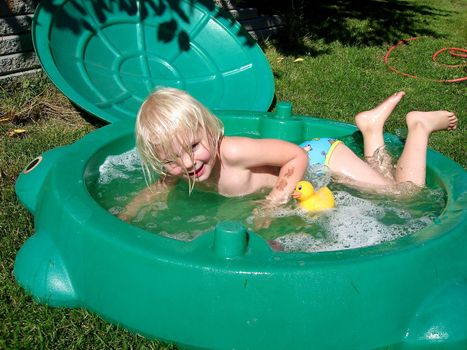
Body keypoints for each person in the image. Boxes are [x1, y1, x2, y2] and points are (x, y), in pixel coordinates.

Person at [118, 88, 457, 226]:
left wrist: (275, 200)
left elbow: (295, 155)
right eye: (171, 159)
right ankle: (371, 128)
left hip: (320, 158)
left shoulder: (231, 150)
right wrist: (128, 212)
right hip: (309, 168)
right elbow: (159, 188)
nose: (188, 164)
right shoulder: (183, 166)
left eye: (193, 147)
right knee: (375, 181)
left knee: (403, 196)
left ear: (209, 130)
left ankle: (419, 127)